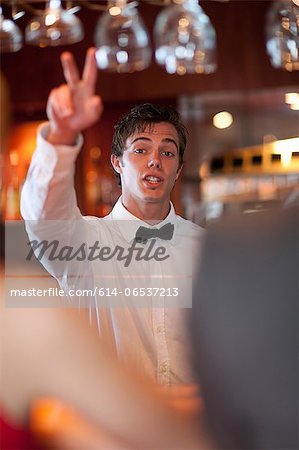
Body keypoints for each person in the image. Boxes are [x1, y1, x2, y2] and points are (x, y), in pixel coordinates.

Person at [21, 48, 204, 385]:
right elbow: (44, 215)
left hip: (191, 427)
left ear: (178, 170)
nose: (155, 161)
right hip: (113, 432)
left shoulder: (206, 247)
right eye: (141, 149)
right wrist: (61, 135)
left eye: (167, 151)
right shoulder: (84, 242)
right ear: (117, 162)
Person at [190, 204, 298, 449]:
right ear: (117, 163)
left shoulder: (222, 245)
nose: (154, 162)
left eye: (169, 160)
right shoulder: (229, 248)